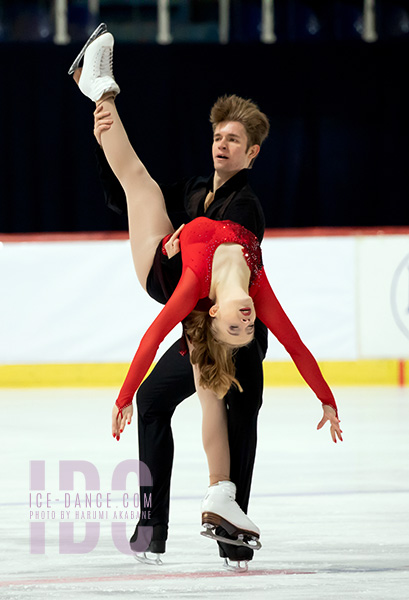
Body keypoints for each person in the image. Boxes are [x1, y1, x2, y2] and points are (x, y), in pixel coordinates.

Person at [71, 28, 342, 569]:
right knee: (158, 401)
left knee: (236, 413)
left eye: (235, 140)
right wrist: (107, 145)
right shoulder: (198, 191)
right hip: (190, 297)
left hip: (202, 314)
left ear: (252, 153)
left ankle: (230, 532)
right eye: (219, 136)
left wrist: (325, 395)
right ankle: (152, 530)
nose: (223, 144)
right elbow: (131, 190)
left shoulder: (247, 208)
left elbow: (280, 333)